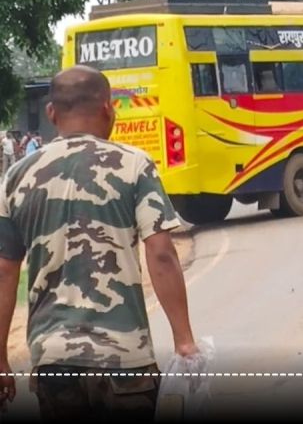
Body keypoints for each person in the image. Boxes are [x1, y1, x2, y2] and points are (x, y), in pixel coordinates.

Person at [0, 66, 198, 420]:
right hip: (126, 359)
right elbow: (162, 253)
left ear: (51, 112)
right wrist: (184, 342)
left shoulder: (17, 176)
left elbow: (4, 270)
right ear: (109, 108)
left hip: (55, 360)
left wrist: (0, 358)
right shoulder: (134, 165)